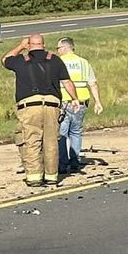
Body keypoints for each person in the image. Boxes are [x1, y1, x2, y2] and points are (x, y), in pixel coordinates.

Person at [1, 34, 75, 187]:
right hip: (52, 105)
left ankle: (34, 177)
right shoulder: (54, 59)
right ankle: (51, 176)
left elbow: (5, 59)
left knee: (32, 140)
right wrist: (74, 99)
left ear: (29, 45)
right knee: (51, 141)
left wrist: (20, 46)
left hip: (30, 106)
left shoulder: (21, 60)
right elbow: (67, 82)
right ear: (43, 44)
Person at [54, 37, 103, 174]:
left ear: (64, 48)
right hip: (81, 102)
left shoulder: (58, 62)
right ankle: (75, 161)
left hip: (63, 102)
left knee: (62, 133)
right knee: (76, 132)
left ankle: (62, 164)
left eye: (58, 48)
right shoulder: (83, 62)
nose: (57, 51)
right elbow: (92, 83)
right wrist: (97, 102)